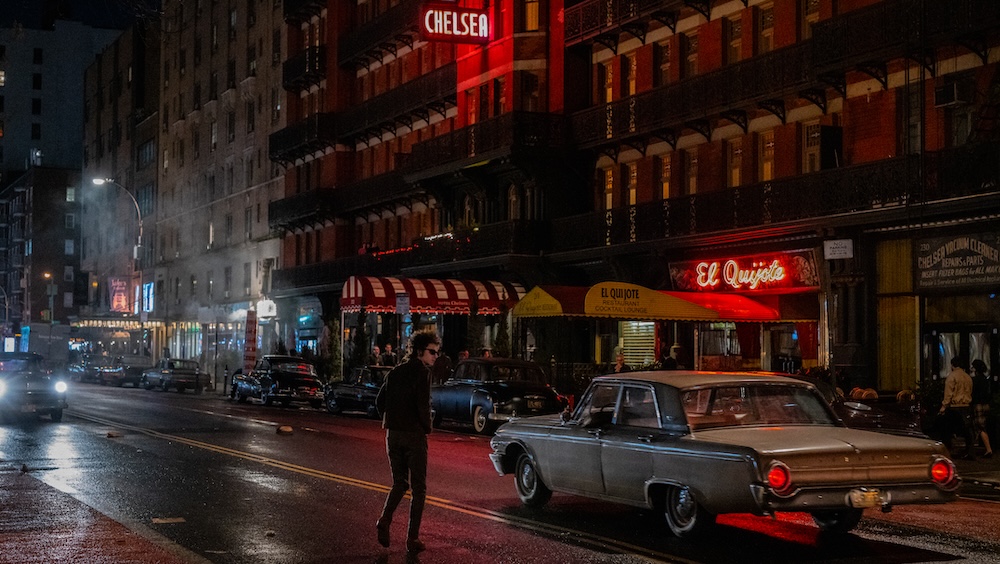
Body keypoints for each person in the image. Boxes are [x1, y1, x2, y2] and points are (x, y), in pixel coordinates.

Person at [374, 328, 440, 554]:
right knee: (419, 488)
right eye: (432, 352)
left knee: (400, 483)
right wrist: (427, 427)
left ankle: (385, 519)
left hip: (393, 434)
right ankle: (412, 539)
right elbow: (423, 406)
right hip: (414, 435)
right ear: (420, 352)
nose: (435, 357)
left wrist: (392, 418)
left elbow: (379, 402)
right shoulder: (422, 373)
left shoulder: (394, 372)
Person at [939, 356, 975, 460]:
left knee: (948, 430)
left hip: (955, 406)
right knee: (968, 431)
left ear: (952, 365)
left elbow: (948, 393)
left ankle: (947, 451)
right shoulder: (968, 377)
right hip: (966, 405)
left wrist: (944, 406)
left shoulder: (952, 377)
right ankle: (970, 452)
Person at [971, 359, 994, 458]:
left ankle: (988, 449)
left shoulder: (975, 380)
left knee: (980, 427)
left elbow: (973, 392)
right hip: (986, 404)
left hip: (978, 404)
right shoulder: (985, 379)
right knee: (983, 425)